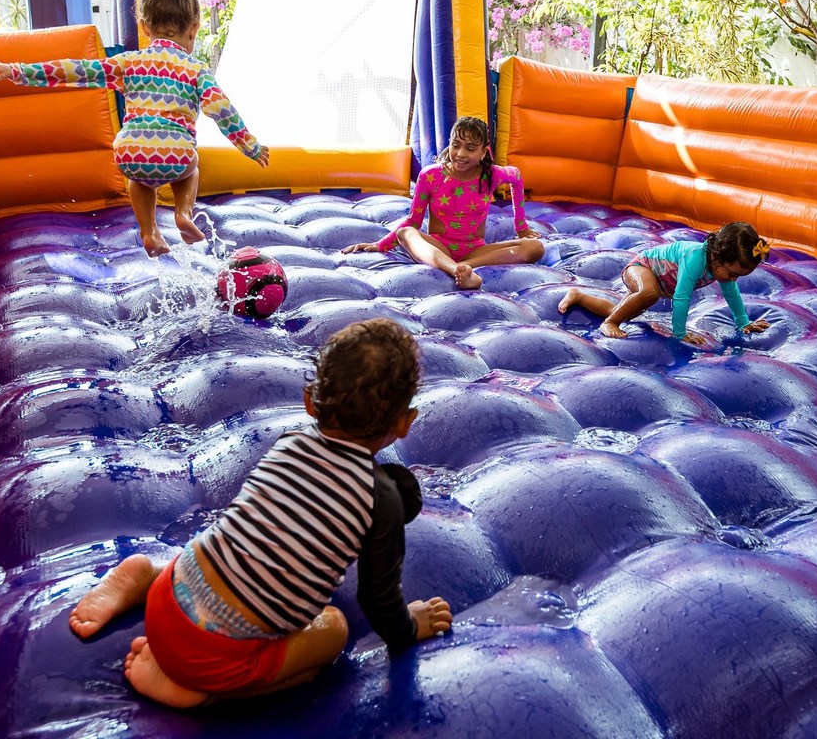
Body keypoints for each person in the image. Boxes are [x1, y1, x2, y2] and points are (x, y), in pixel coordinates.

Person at [67, 318, 453, 707]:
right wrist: (411, 626)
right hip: (206, 655)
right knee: (333, 630)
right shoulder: (379, 499)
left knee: (223, 550)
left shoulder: (289, 443)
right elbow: (378, 600)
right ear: (405, 423)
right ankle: (194, 691)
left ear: (308, 401)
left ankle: (146, 574)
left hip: (169, 593)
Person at [0, 0, 269, 258]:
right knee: (190, 167)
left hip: (130, 151)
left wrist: (18, 71)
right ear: (194, 29)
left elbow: (76, 70)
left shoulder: (128, 63)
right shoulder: (196, 70)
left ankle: (149, 232)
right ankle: (183, 214)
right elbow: (221, 109)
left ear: (144, 27)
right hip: (176, 154)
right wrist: (249, 146)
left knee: (139, 178)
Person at [342, 117, 543, 289]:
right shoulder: (431, 175)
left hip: (475, 250)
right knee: (405, 233)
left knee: (534, 247)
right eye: (456, 145)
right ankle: (455, 268)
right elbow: (414, 221)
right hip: (439, 247)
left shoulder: (491, 175)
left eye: (470, 149)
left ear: (483, 153)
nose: (461, 154)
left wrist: (521, 227)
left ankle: (465, 266)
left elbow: (516, 177)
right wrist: (381, 245)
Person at [559, 221, 772, 343]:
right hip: (642, 267)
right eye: (732, 273)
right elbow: (681, 296)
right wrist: (680, 333)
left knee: (623, 309)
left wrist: (743, 322)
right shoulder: (695, 259)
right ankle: (610, 323)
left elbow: (732, 295)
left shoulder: (721, 267)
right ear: (718, 257)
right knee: (648, 294)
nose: (733, 279)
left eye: (738, 276)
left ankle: (579, 296)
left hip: (657, 282)